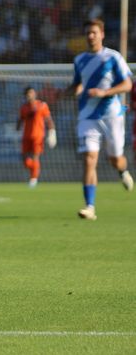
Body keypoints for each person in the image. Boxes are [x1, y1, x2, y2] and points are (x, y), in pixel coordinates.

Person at [70, 19, 133, 220]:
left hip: (112, 115)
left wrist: (105, 92)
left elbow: (127, 85)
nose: (90, 36)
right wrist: (74, 91)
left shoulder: (113, 57)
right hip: (87, 116)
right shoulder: (79, 60)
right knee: (89, 159)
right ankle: (90, 207)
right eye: (88, 33)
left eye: (94, 32)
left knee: (115, 159)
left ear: (102, 34)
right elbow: (77, 85)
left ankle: (123, 171)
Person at [17, 86, 56, 188]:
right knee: (25, 160)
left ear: (35, 94)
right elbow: (20, 120)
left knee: (35, 157)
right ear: (26, 95)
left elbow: (49, 120)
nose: (30, 95)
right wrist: (17, 128)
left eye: (32, 93)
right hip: (26, 136)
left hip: (38, 136)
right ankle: (34, 171)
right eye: (28, 93)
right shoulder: (24, 107)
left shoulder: (42, 105)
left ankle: (33, 179)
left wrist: (52, 132)